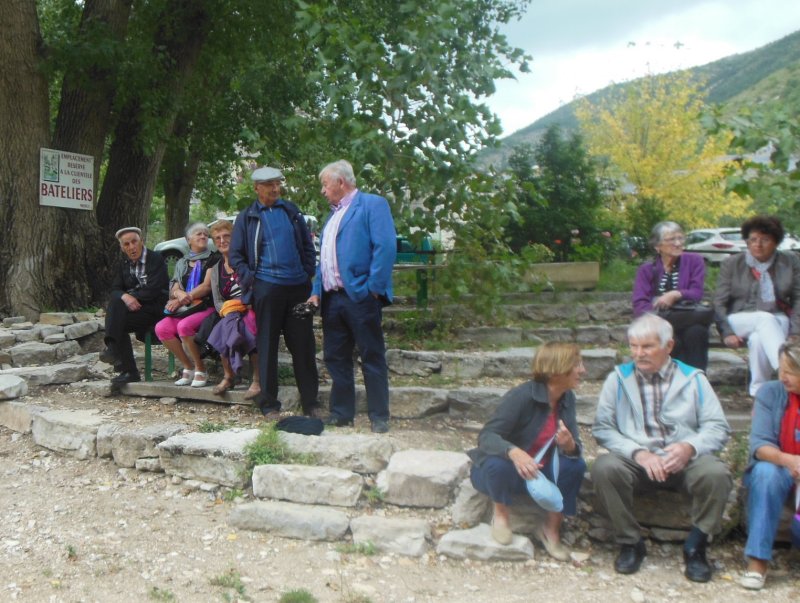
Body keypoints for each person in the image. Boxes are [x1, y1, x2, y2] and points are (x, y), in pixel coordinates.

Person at [591, 314, 732, 582]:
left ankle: (697, 545)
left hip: (684, 460)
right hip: (638, 460)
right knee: (605, 468)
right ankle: (631, 542)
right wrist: (638, 453)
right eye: (633, 346)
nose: (638, 353)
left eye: (647, 346)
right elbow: (603, 429)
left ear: (669, 346)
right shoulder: (617, 380)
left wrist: (689, 447)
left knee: (716, 474)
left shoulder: (694, 379)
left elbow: (717, 427)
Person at [467, 342, 587, 560]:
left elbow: (575, 448)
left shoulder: (567, 398)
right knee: (498, 465)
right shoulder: (522, 396)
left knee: (575, 465)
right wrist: (514, 452)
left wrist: (569, 445)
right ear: (557, 369)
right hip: (507, 471)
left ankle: (551, 528)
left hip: (539, 471)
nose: (583, 370)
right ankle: (501, 515)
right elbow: (487, 436)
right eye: (577, 365)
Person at [307, 159, 397, 433]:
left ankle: (379, 416)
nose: (323, 190)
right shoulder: (332, 216)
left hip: (361, 296)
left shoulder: (372, 204)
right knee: (336, 358)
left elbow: (385, 247)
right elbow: (324, 260)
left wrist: (373, 289)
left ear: (340, 182)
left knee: (371, 355)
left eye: (325, 184)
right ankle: (342, 413)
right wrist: (315, 292)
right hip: (332, 300)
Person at [229, 166, 322, 420]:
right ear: (256, 188)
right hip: (267, 288)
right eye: (269, 184)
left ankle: (311, 403)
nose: (275, 188)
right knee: (267, 345)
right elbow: (236, 256)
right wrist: (253, 281)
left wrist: (307, 273)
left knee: (303, 345)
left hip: (297, 287)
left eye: (278, 183)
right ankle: (269, 404)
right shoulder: (247, 217)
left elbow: (307, 245)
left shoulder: (291, 211)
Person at [714, 215, 800, 396]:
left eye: (765, 240)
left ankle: (759, 393)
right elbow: (719, 302)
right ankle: (788, 369)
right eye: (753, 240)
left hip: (778, 317)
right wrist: (727, 333)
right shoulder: (733, 263)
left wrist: (795, 332)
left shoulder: (790, 261)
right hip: (739, 319)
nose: (758, 245)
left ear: (776, 242)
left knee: (758, 340)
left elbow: (798, 298)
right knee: (764, 318)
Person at [739, 342, 800, 590]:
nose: (783, 377)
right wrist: (791, 460)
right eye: (781, 370)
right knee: (765, 473)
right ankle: (757, 561)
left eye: (791, 371)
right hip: (780, 465)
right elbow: (760, 445)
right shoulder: (770, 393)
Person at [632, 221, 709, 370]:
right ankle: (670, 379)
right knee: (671, 341)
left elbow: (697, 293)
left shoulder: (695, 261)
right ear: (657, 246)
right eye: (671, 240)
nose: (678, 243)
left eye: (680, 238)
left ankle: (697, 379)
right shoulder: (646, 269)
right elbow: (639, 304)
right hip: (658, 321)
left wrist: (676, 294)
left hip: (688, 318)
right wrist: (657, 316)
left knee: (697, 333)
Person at [101, 227, 169, 384]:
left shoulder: (156, 259)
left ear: (141, 241)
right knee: (119, 319)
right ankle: (129, 371)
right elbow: (115, 289)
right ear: (122, 248)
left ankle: (115, 353)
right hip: (137, 311)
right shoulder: (123, 264)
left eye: (134, 242)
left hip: (156, 309)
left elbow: (154, 289)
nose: (132, 247)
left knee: (117, 311)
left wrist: (132, 298)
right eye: (127, 244)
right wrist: (126, 297)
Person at [154, 222, 218, 388]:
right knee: (162, 328)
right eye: (198, 233)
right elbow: (174, 287)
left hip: (206, 306)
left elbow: (206, 287)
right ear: (189, 239)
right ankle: (188, 366)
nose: (203, 236)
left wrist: (184, 297)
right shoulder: (182, 262)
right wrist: (178, 295)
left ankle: (200, 368)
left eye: (205, 234)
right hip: (186, 309)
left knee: (184, 327)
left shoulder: (214, 259)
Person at [204, 220, 260, 398]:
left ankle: (257, 380)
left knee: (249, 327)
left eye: (226, 236)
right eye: (217, 238)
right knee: (223, 329)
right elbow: (218, 301)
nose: (222, 241)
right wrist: (229, 309)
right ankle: (229, 376)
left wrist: (245, 304)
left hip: (251, 307)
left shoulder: (248, 261)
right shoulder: (215, 270)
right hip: (230, 312)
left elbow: (257, 287)